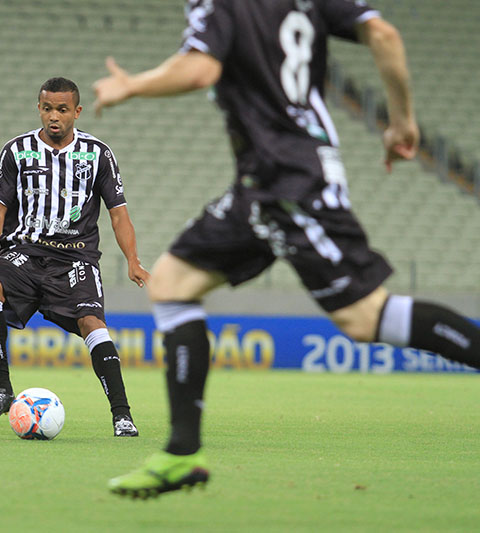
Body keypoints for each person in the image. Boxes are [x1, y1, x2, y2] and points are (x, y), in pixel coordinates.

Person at [93, 0, 480, 497]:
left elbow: (200, 68)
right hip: (265, 181)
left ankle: (182, 452)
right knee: (172, 284)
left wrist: (130, 85)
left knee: (365, 318)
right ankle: (182, 454)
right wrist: (403, 122)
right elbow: (384, 36)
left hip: (291, 179)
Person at [0, 77, 149, 437]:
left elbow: (119, 214)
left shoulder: (98, 154)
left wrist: (133, 260)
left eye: (62, 109)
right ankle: (2, 389)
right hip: (25, 253)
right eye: (47, 108)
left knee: (94, 325)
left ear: (77, 112)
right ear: (39, 108)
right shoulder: (16, 151)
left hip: (75, 258)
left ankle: (122, 414)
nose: (54, 116)